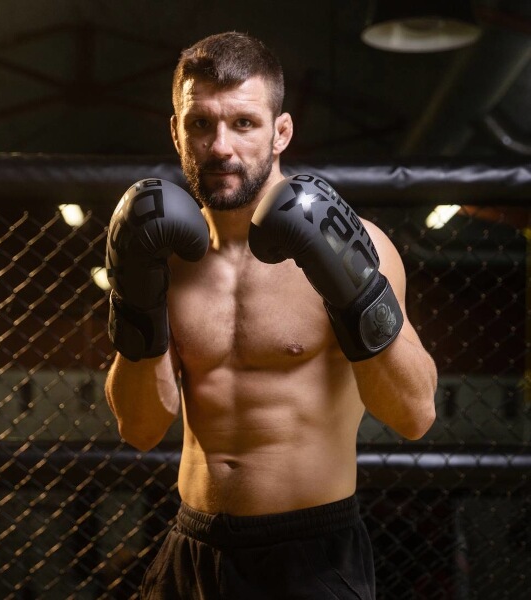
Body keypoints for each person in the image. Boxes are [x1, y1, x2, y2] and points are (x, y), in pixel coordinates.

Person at [104, 31, 437, 600]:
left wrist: (356, 287)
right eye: (201, 124)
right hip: (194, 548)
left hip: (310, 556)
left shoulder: (361, 244)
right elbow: (140, 429)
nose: (220, 147)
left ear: (281, 132)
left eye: (244, 123)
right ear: (176, 132)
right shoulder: (161, 255)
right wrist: (134, 300)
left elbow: (414, 415)